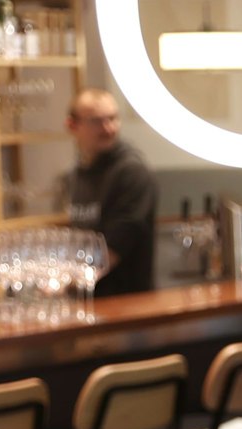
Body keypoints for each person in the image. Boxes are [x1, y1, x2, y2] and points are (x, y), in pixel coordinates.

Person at [63, 89, 157, 297]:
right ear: (72, 125)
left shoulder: (132, 172)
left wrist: (59, 283)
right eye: (96, 121)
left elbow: (109, 253)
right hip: (89, 299)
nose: (109, 128)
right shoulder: (77, 173)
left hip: (126, 303)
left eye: (113, 118)